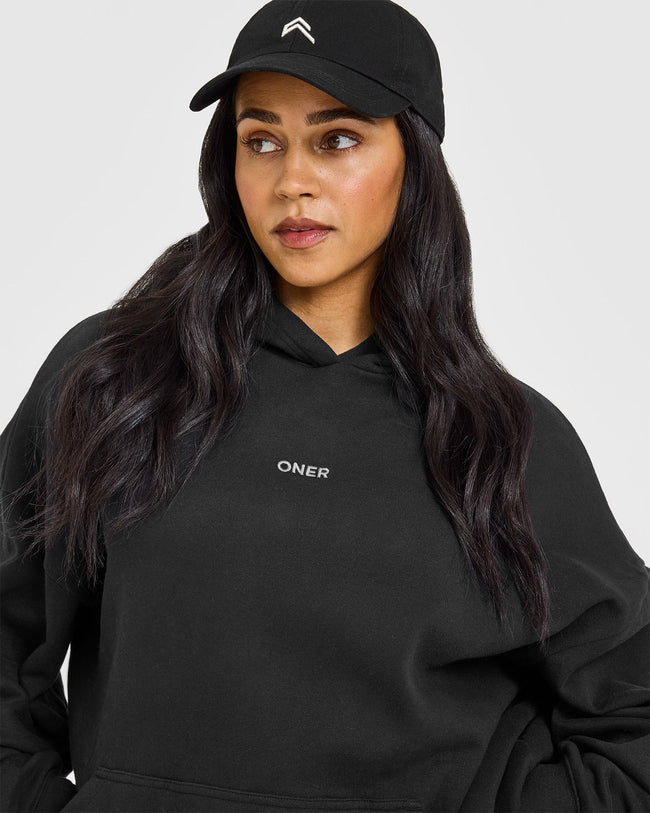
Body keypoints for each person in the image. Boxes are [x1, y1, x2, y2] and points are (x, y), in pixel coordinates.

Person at [1, 0, 648, 811]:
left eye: (337, 139)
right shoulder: (112, 379)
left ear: (413, 158)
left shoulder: (504, 440)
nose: (292, 182)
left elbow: (633, 719)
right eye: (261, 141)